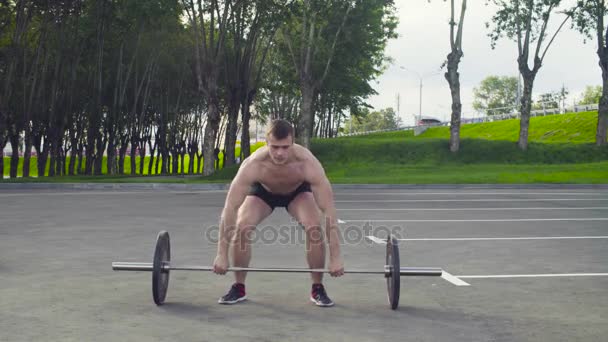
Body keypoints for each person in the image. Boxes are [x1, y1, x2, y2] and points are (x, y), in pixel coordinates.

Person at [212, 119, 344, 307]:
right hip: (264, 192)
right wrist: (221, 254)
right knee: (242, 226)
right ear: (266, 143)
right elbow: (230, 207)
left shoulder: (307, 163)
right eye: (275, 147)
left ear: (293, 143)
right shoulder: (254, 164)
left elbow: (329, 210)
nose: (280, 153)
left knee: (314, 227)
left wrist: (336, 257)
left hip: (297, 192)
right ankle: (239, 287)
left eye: (285, 147)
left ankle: (317, 288)